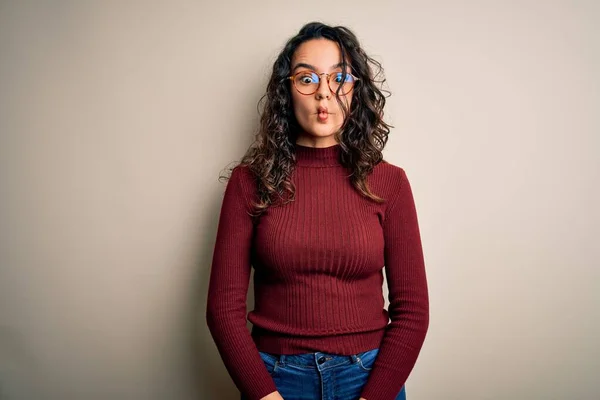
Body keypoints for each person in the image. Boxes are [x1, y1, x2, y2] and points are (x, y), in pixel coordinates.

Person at [206, 21, 429, 400]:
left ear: (355, 88)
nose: (324, 95)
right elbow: (223, 310)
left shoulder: (390, 183)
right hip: (276, 380)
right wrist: (265, 396)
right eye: (306, 79)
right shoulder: (249, 182)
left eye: (339, 77)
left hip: (369, 377)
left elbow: (413, 310)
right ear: (286, 91)